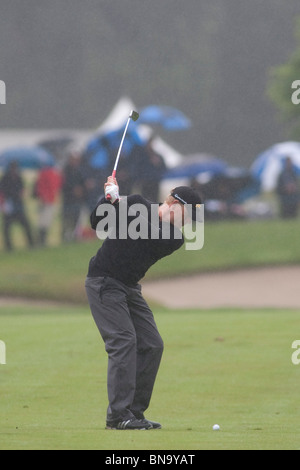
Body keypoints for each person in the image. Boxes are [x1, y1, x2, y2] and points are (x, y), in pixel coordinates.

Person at [85, 175, 202, 430]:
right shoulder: (137, 203)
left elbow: (145, 233)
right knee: (124, 341)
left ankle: (133, 413)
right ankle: (118, 416)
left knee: (152, 344)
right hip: (104, 282)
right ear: (173, 202)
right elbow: (96, 222)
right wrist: (107, 200)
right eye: (189, 215)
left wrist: (119, 202)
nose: (189, 222)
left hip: (129, 289)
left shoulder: (174, 237)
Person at [0, 161, 34, 251]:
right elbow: (2, 192)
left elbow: (22, 188)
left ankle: (31, 243)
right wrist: (3, 204)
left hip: (18, 204)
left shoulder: (19, 177)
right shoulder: (5, 178)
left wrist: (22, 193)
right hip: (9, 204)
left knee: (26, 224)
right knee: (7, 227)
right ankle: (9, 246)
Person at [34, 165, 62, 245]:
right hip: (46, 200)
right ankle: (41, 240)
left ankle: (42, 240)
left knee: (44, 221)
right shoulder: (49, 173)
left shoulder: (45, 173)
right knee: (44, 221)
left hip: (47, 200)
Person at [61, 153, 85, 242]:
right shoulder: (66, 171)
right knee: (67, 221)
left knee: (76, 220)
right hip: (68, 200)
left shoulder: (78, 171)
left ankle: (74, 237)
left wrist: (81, 189)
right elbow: (64, 185)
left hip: (77, 201)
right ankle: (65, 238)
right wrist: (73, 190)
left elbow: (82, 183)